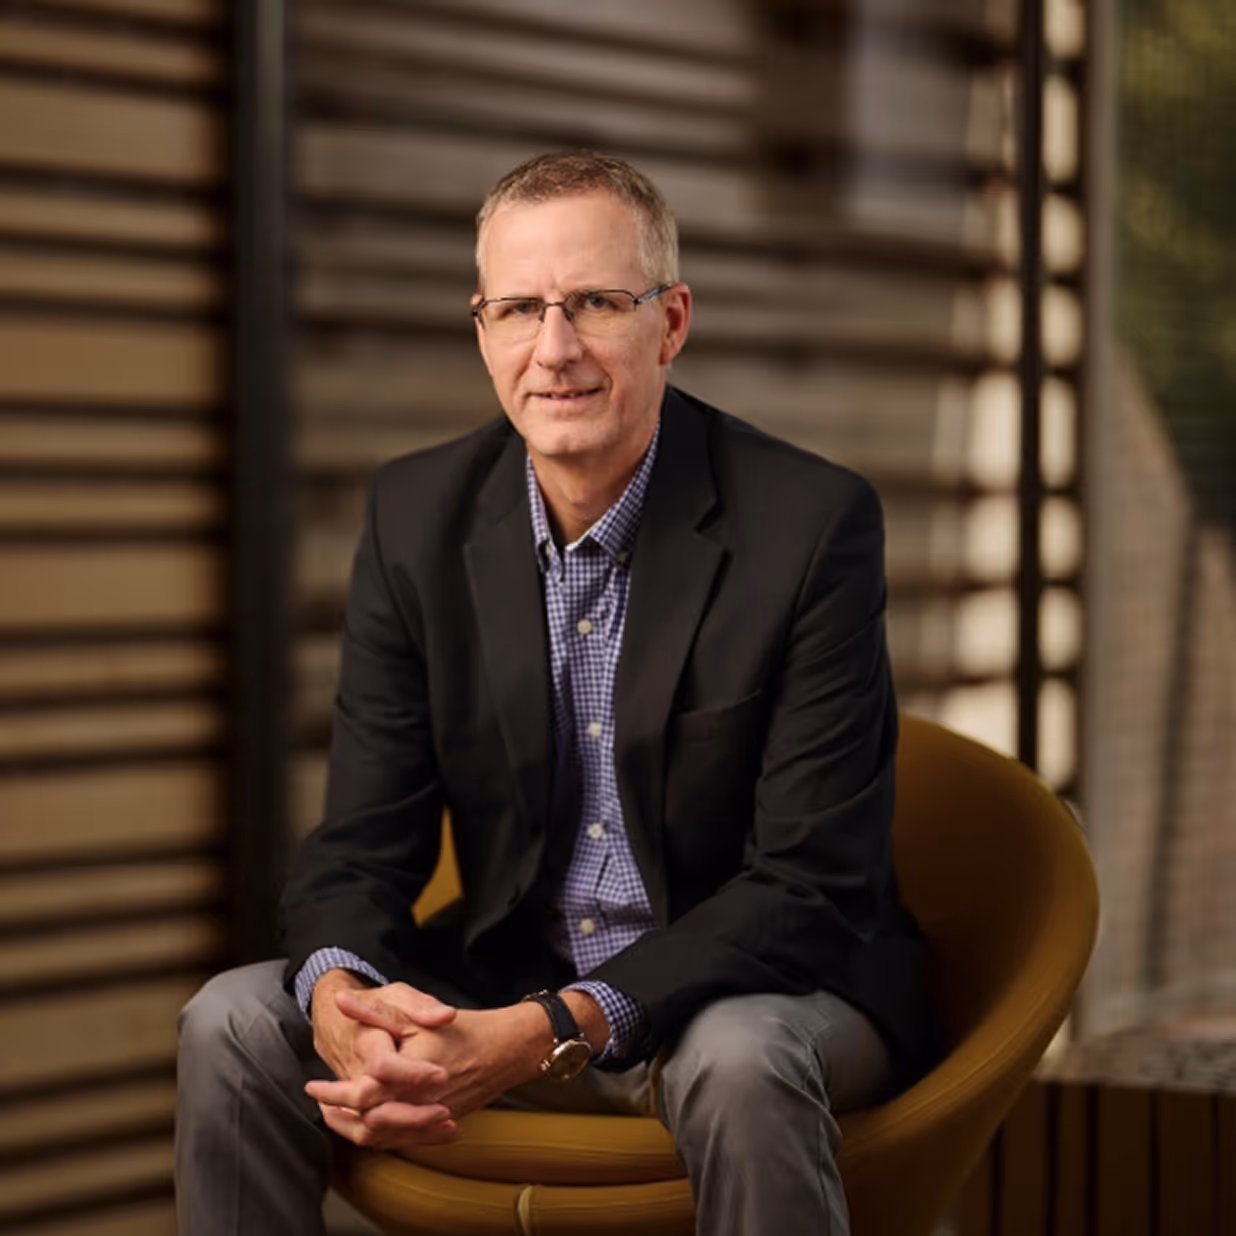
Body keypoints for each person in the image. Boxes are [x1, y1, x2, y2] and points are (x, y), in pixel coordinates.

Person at [176, 151, 939, 1236]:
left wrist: (546, 1030)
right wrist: (343, 999)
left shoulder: (809, 525)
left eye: (595, 303)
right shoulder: (415, 518)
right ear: (481, 329)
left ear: (670, 322)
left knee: (738, 1062)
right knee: (233, 1021)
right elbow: (359, 841)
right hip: (511, 976)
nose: (556, 349)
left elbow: (811, 884)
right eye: (520, 309)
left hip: (760, 986)